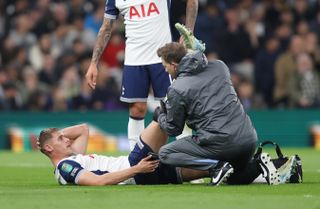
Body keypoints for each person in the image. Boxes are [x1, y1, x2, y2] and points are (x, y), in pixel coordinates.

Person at [153, 41, 279, 185]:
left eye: (165, 66)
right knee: (234, 178)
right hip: (248, 140)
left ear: (174, 65)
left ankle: (216, 167)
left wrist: (161, 116)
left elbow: (173, 128)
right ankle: (257, 166)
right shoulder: (220, 66)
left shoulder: (177, 88)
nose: (165, 71)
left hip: (220, 143)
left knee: (165, 154)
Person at [85, 0, 199, 151]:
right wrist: (94, 63)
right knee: (136, 109)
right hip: (134, 59)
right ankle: (135, 162)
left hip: (163, 58)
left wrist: (188, 32)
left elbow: (192, 2)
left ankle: (190, 162)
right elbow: (106, 28)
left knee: (175, 107)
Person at [37, 123, 212, 186]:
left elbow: (83, 129)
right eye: (61, 139)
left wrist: (49, 137)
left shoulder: (73, 156)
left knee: (208, 168)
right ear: (50, 148)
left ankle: (233, 165)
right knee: (162, 116)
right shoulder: (65, 167)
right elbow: (98, 181)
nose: (67, 139)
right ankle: (212, 129)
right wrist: (137, 169)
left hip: (142, 172)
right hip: (134, 166)